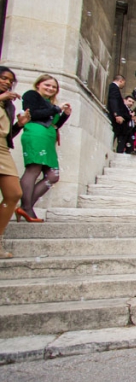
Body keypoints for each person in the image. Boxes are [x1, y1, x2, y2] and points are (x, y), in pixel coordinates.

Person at [17, 75, 71, 222]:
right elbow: (33, 114)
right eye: (47, 85)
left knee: (53, 175)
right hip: (36, 134)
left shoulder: (49, 103)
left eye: (54, 87)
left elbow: (54, 124)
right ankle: (27, 208)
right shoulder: (31, 95)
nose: (51, 89)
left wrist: (65, 115)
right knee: (33, 169)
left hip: (48, 138)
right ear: (38, 85)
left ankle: (26, 207)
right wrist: (56, 109)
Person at [0, 67, 30, 256]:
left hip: (2, 148)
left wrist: (19, 125)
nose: (7, 82)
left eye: (10, 80)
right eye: (3, 78)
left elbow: (8, 134)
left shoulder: (8, 106)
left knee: (14, 193)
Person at [106, 75, 131, 153]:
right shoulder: (114, 87)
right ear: (121, 81)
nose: (124, 85)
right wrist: (117, 114)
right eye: (124, 83)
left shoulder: (114, 88)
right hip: (114, 117)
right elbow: (113, 101)